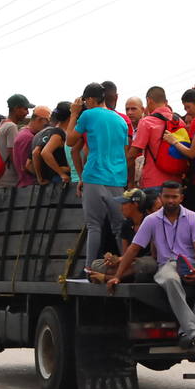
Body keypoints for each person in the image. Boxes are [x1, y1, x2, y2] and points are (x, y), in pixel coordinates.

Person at [108, 181, 195, 355]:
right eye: (166, 196)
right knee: (171, 280)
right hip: (167, 264)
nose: (170, 200)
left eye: (174, 196)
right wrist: (118, 276)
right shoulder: (151, 220)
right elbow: (133, 249)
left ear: (181, 198)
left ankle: (186, 332)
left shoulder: (193, 217)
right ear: (160, 197)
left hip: (192, 263)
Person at [66, 82, 128, 272]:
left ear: (91, 99)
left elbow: (69, 140)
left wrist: (74, 113)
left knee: (94, 226)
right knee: (119, 227)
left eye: (85, 101)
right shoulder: (121, 120)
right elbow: (124, 150)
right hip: (118, 177)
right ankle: (124, 268)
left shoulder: (88, 114)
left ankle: (89, 269)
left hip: (94, 174)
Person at [87, 188, 158, 283]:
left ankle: (108, 277)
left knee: (143, 264)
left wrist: (125, 260)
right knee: (96, 264)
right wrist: (114, 259)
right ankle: (117, 275)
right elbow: (125, 254)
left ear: (135, 204)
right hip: (129, 262)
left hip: (146, 262)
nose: (121, 208)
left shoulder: (149, 221)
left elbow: (154, 255)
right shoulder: (126, 225)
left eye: (124, 204)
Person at [127, 86, 185, 192]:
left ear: (149, 100)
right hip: (176, 184)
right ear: (165, 101)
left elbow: (134, 152)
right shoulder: (180, 122)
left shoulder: (147, 122)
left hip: (153, 182)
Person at [32, 102, 72, 185]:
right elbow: (45, 153)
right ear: (70, 117)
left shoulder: (48, 131)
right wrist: (61, 173)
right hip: (59, 179)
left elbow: (36, 153)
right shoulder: (59, 133)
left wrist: (40, 177)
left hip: (52, 178)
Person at [14, 105, 51, 187]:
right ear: (39, 120)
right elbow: (26, 166)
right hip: (30, 185)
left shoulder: (24, 133)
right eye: (47, 123)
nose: (48, 126)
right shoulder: (28, 137)